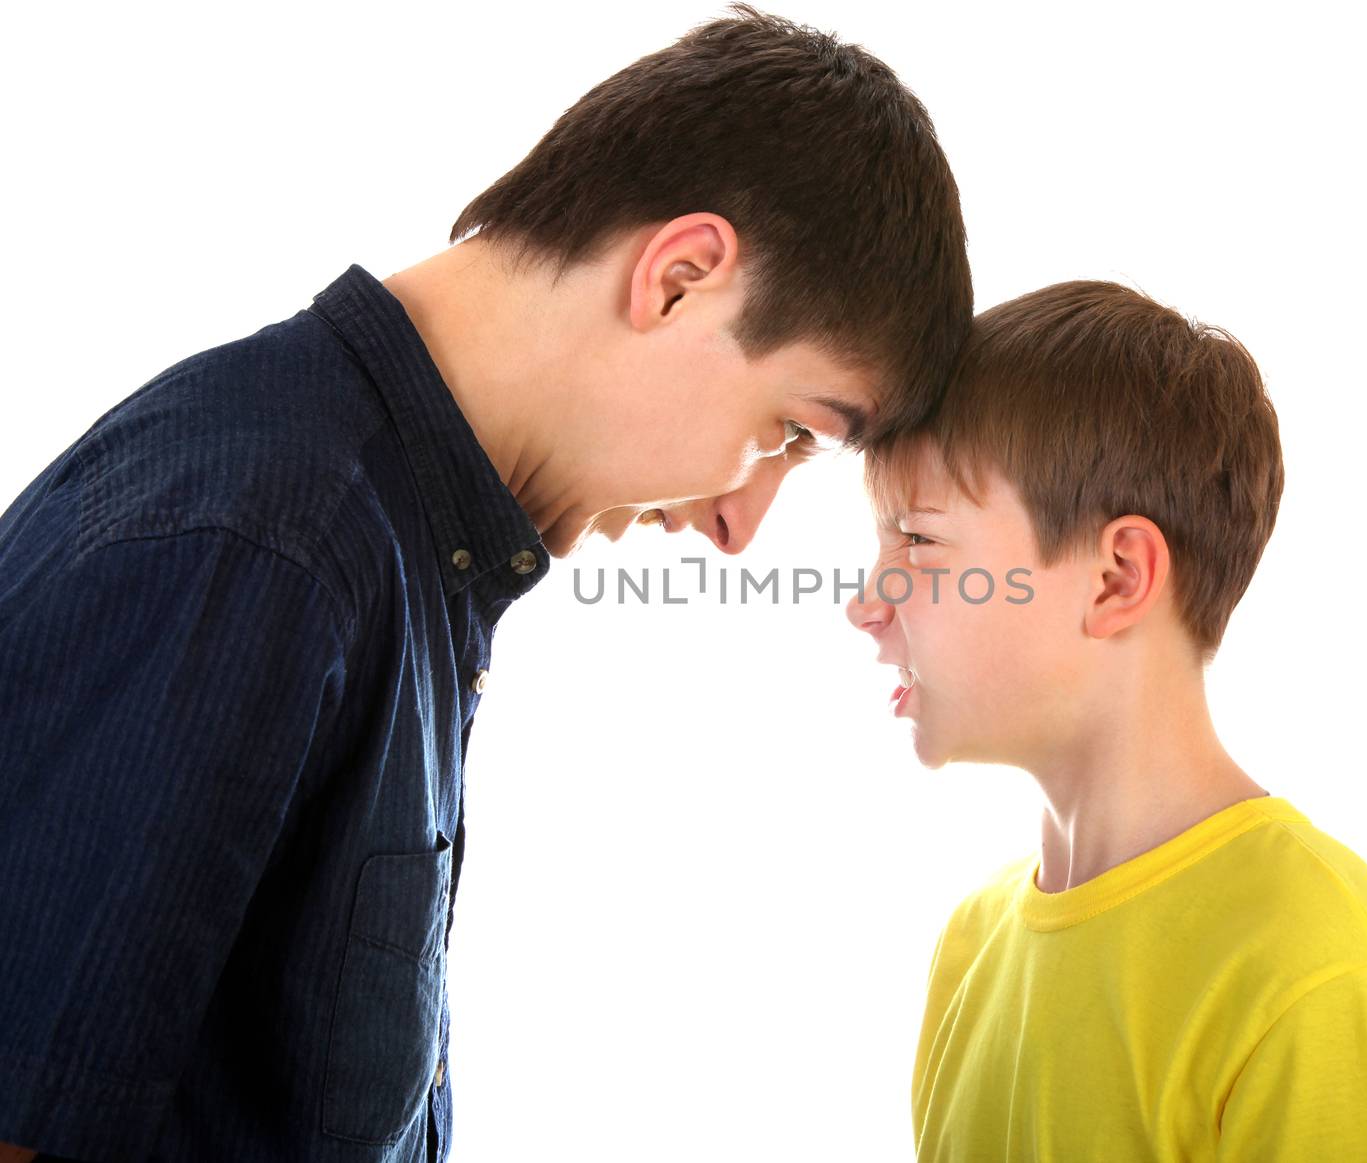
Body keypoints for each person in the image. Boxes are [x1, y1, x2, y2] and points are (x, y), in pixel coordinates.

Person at [0, 7, 971, 1161]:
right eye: (782, 433)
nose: (737, 527)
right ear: (680, 279)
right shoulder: (266, 544)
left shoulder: (390, 551)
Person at [845, 281, 1367, 1160]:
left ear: (1116, 577)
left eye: (916, 541)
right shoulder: (971, 947)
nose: (865, 603)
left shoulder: (1318, 975)